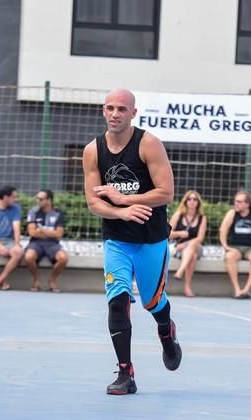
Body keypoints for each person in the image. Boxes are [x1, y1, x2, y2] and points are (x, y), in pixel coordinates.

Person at [82, 88, 182, 395]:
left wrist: (126, 198)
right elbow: (93, 203)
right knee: (117, 301)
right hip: (117, 240)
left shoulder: (148, 144)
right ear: (103, 111)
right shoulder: (92, 150)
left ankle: (166, 331)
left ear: (133, 114)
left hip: (151, 240)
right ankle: (126, 373)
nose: (115, 113)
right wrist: (121, 213)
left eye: (122, 109)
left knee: (153, 302)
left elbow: (166, 193)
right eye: (110, 108)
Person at [218, 190, 251, 299]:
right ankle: (237, 290)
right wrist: (225, 246)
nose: (236, 204)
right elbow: (223, 229)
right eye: (235, 201)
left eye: (239, 202)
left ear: (247, 204)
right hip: (235, 247)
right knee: (229, 257)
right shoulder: (232, 213)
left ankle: (246, 290)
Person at [24, 189, 69, 292]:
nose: (37, 201)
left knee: (63, 258)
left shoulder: (58, 213)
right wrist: (51, 233)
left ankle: (52, 280)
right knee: (28, 257)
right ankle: (36, 280)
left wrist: (42, 230)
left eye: (40, 199)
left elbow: (59, 234)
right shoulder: (33, 211)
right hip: (36, 243)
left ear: (49, 200)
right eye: (37, 198)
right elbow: (32, 233)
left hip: (52, 244)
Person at [169, 190, 207, 297]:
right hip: (179, 249)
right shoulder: (179, 215)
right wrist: (180, 233)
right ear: (185, 201)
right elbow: (168, 234)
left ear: (198, 202)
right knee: (193, 256)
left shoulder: (202, 218)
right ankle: (187, 287)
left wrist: (186, 244)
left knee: (193, 245)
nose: (192, 201)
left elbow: (200, 238)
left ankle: (180, 271)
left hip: (196, 246)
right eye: (189, 199)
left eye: (195, 199)